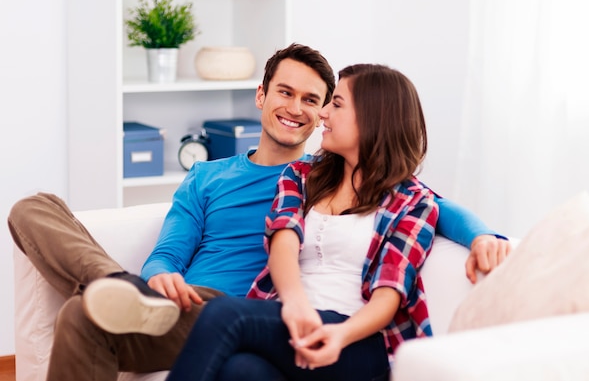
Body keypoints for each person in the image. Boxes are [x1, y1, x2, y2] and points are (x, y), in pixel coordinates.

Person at [8, 44, 509, 381]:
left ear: (322, 115)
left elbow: (428, 207)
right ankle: (110, 280)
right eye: (285, 93)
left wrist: (485, 233)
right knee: (33, 208)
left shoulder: (325, 175)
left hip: (243, 309)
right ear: (261, 96)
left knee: (84, 308)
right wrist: (158, 277)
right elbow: (169, 249)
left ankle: (107, 288)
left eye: (316, 100)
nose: (299, 107)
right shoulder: (210, 176)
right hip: (175, 304)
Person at [165, 63, 442, 381]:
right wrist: (295, 306)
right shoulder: (301, 176)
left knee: (224, 314)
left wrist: (340, 335)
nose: (323, 113)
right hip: (294, 319)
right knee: (240, 371)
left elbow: (389, 295)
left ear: (372, 118)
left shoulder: (413, 202)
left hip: (358, 340)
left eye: (336, 104)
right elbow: (282, 243)